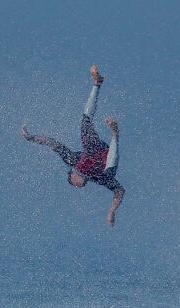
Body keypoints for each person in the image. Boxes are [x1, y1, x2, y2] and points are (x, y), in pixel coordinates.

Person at [21, 65, 125, 227]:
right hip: (108, 154)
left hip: (94, 149)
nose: (77, 187)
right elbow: (120, 191)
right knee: (109, 173)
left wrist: (31, 138)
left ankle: (97, 83)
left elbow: (52, 143)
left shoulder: (72, 160)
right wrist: (112, 211)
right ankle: (115, 135)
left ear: (72, 175)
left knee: (84, 123)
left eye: (73, 183)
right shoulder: (97, 179)